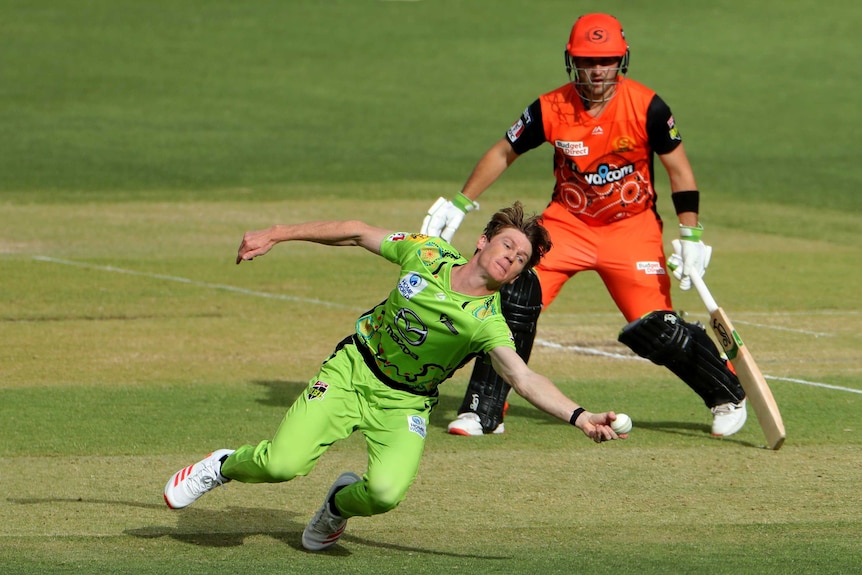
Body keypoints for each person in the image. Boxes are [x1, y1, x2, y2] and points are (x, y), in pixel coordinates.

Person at [163, 202, 627, 552]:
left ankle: (338, 505)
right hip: (352, 371)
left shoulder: (488, 322)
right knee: (281, 465)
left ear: (517, 276)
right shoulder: (426, 255)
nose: (512, 257)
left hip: (405, 403)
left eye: (522, 259)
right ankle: (221, 466)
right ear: (483, 242)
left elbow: (523, 378)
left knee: (385, 494)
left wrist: (580, 416)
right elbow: (357, 233)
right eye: (508, 244)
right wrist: (278, 234)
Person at [421, 13, 747, 438]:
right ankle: (483, 410)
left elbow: (679, 171)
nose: (597, 71)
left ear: (622, 60)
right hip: (567, 226)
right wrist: (460, 204)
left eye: (607, 60)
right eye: (588, 61)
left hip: (632, 229)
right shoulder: (549, 107)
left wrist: (691, 235)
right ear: (571, 61)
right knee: (513, 294)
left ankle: (726, 395)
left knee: (655, 326)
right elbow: (503, 152)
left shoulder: (648, 107)